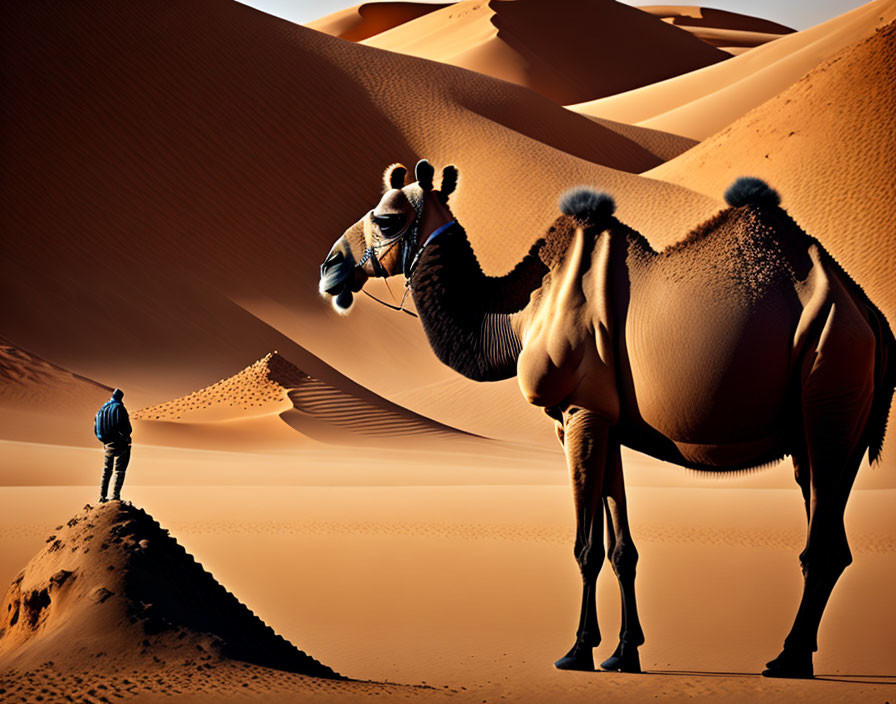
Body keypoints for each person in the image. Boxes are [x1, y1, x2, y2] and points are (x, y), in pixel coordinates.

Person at [94, 388, 132, 503]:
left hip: (107, 444)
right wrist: (126, 438)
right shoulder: (119, 408)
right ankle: (115, 496)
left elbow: (96, 429)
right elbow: (127, 428)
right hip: (120, 443)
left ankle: (102, 496)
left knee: (107, 469)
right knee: (119, 470)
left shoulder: (101, 410)